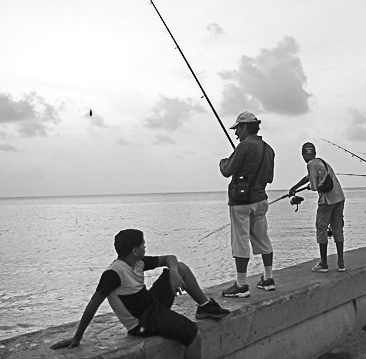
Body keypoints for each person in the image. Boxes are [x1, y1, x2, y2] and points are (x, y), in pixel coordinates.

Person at [51, 229, 229, 359]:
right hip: (142, 322)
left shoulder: (138, 262)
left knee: (180, 267)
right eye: (143, 244)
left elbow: (171, 258)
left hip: (151, 304)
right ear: (135, 250)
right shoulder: (113, 274)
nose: (146, 246)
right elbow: (93, 304)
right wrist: (77, 337)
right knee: (194, 335)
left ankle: (205, 307)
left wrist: (173, 272)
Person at [219, 111, 276, 297]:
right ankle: (268, 279)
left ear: (244, 127)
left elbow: (227, 170)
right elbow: (270, 178)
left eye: (237, 130)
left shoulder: (243, 147)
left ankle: (241, 285)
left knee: (240, 242)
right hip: (261, 201)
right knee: (263, 239)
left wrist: (222, 162)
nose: (236, 134)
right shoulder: (269, 149)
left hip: (241, 203)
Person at [289, 142, 347, 272]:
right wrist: (295, 187)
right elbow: (309, 177)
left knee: (321, 229)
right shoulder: (321, 162)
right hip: (339, 198)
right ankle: (341, 263)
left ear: (303, 155)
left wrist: (307, 187)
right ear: (314, 153)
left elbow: (314, 186)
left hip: (326, 201)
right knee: (337, 229)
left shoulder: (310, 164)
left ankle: (324, 264)